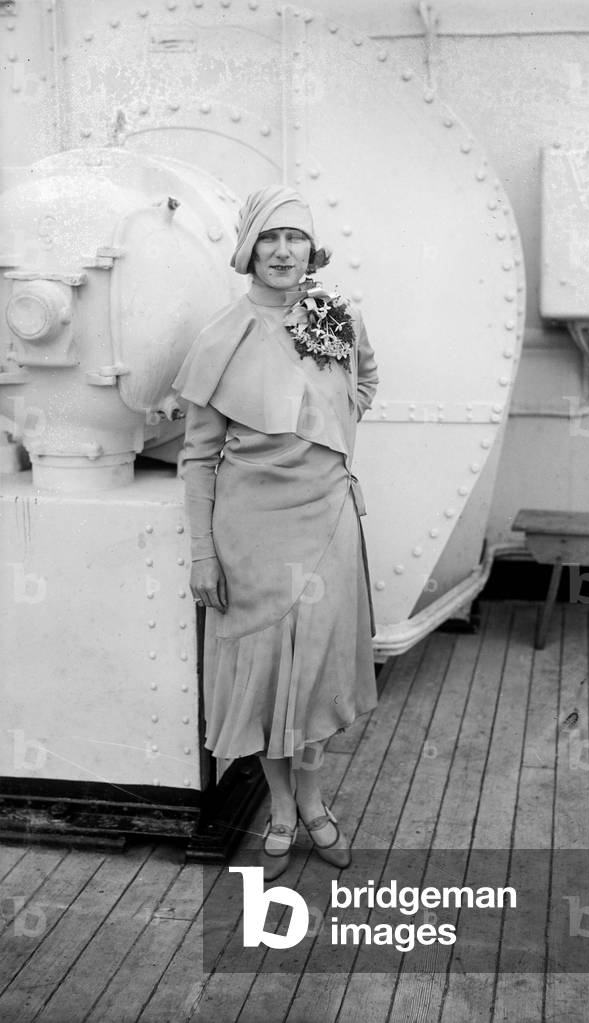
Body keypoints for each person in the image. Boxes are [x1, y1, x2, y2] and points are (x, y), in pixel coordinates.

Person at [173, 185, 378, 880]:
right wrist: (203, 552)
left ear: (310, 249)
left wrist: (331, 430)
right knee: (265, 677)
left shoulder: (336, 316)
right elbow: (198, 455)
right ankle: (284, 808)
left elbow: (367, 379)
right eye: (269, 237)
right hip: (250, 532)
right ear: (249, 248)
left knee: (315, 673)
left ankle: (316, 800)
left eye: (295, 237)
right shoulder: (220, 336)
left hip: (326, 519)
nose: (283, 250)